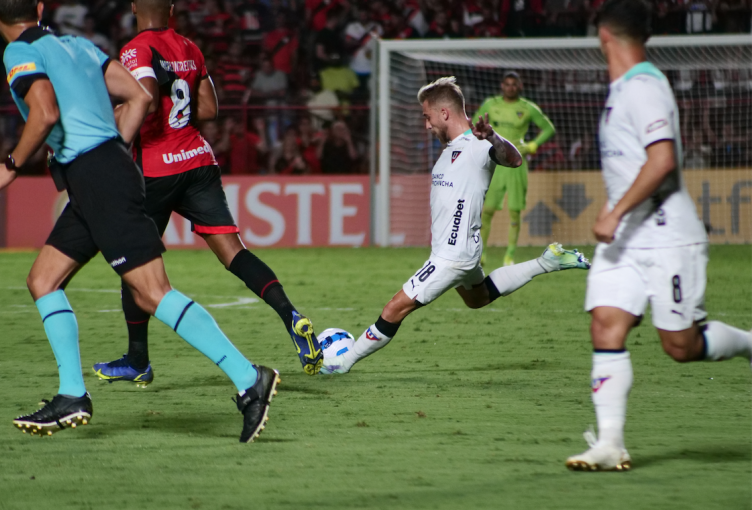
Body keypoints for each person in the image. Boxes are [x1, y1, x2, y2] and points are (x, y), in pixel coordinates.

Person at [0, 0, 279, 443]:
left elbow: (44, 110)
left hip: (98, 176)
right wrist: (112, 150)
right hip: (100, 174)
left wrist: (11, 164)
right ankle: (72, 394)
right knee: (43, 280)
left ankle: (248, 378)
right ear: (41, 7)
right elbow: (139, 95)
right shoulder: (77, 45)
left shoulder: (18, 51)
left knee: (153, 292)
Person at [91, 0, 323, 384]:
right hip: (199, 160)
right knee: (235, 253)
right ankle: (291, 315)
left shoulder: (136, 48)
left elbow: (144, 100)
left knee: (132, 261)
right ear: (171, 8)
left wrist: (110, 123)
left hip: (156, 169)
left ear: (134, 6)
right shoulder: (189, 47)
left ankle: (137, 360)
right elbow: (210, 109)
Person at [565, 0, 752, 472]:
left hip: (667, 234)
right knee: (606, 322)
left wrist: (615, 211)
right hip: (625, 239)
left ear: (604, 37)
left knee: (680, 347)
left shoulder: (644, 86)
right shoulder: (622, 89)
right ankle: (610, 443)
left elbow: (662, 159)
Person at [320, 77, 590, 375]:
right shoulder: (452, 147)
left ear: (444, 113)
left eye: (427, 117)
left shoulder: (477, 145)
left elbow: (513, 160)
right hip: (463, 248)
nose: (426, 125)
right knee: (478, 298)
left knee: (393, 309)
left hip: (451, 255)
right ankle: (546, 262)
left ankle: (343, 363)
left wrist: (493, 137)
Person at [473, 71, 555, 267]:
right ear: (502, 86)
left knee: (515, 211)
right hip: (495, 163)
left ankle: (509, 256)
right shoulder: (490, 105)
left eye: (514, 84)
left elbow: (549, 128)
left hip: (517, 164)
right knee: (488, 210)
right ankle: (481, 255)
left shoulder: (527, 108)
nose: (510, 87)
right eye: (507, 84)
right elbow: (474, 126)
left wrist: (533, 145)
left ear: (520, 86)